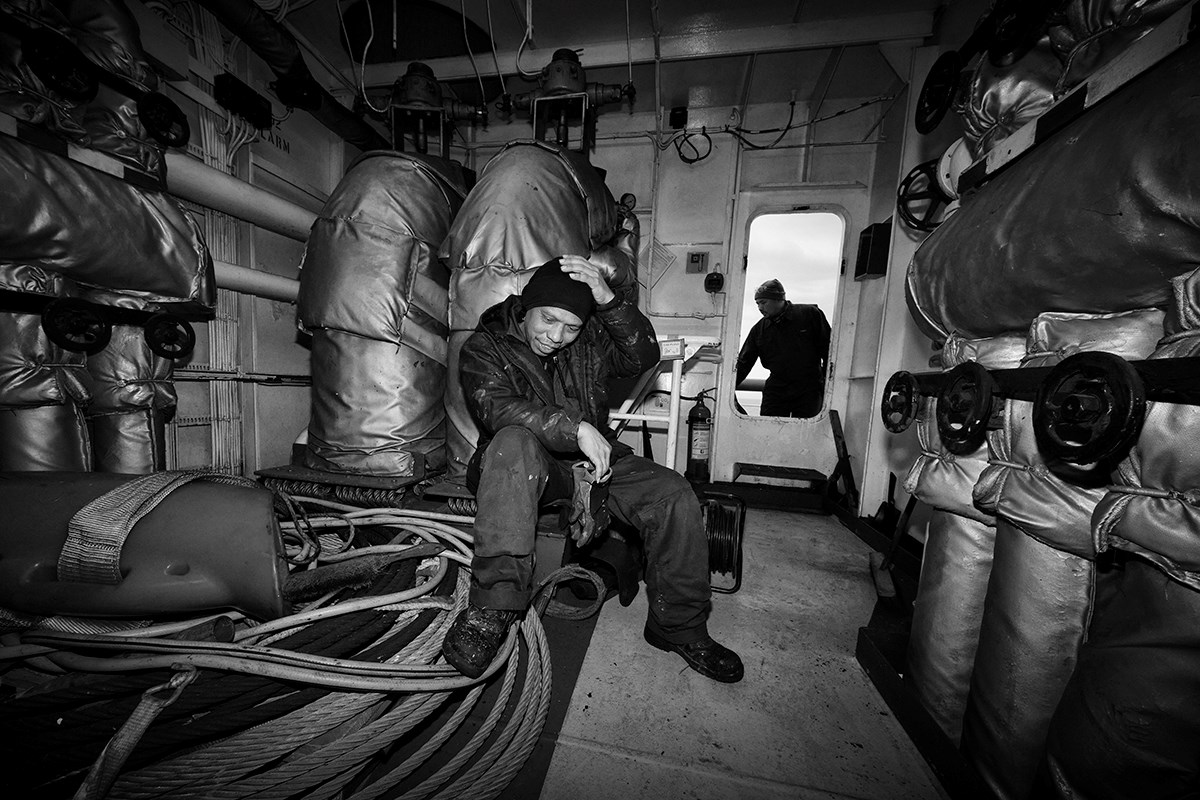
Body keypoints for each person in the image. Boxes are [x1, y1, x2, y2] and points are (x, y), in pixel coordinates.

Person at [441, 255, 744, 683]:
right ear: (526, 307)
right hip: (522, 463)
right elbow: (498, 409)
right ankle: (493, 608)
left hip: (592, 463)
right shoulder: (484, 346)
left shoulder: (587, 341)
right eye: (547, 320)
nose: (556, 337)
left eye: (571, 327)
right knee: (513, 442)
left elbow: (644, 355)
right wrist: (576, 428)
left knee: (672, 493)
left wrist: (608, 301)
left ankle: (677, 627)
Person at [735, 278, 831, 418]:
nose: (760, 308)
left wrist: (826, 382)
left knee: (808, 434)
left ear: (779, 299)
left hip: (809, 388)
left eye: (763, 302)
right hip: (777, 389)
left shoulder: (810, 315)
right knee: (769, 431)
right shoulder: (759, 329)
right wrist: (727, 386)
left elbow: (829, 350)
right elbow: (744, 362)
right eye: (757, 304)